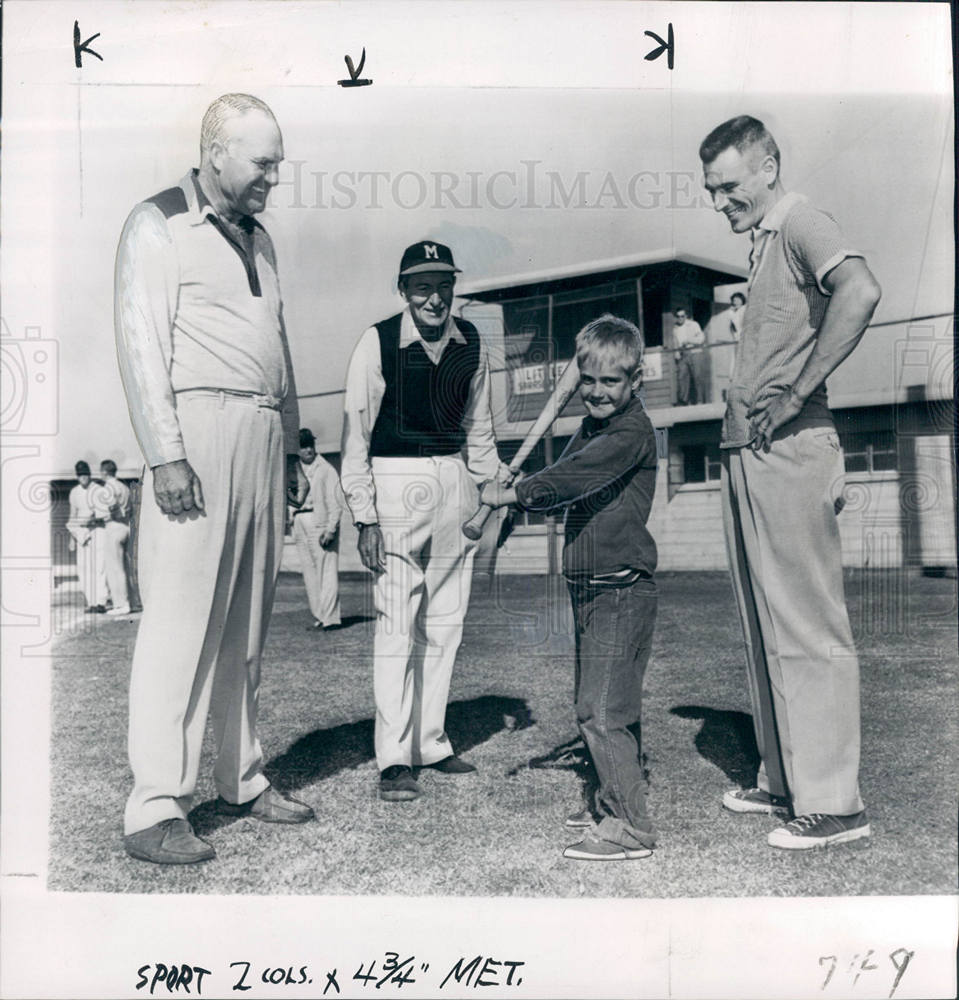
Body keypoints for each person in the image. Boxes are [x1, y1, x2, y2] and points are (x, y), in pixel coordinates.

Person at [114, 93, 314, 865]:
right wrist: (166, 456)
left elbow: (279, 346)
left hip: (262, 432)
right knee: (180, 625)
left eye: (278, 162)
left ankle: (241, 775)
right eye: (264, 161)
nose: (274, 175)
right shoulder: (158, 222)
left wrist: (293, 448)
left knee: (247, 621)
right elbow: (140, 346)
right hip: (196, 433)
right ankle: (154, 806)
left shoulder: (261, 240)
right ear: (219, 151)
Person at [699, 115, 881, 849]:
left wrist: (798, 389)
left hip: (794, 447)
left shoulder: (802, 220)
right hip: (749, 452)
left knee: (807, 624)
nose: (720, 201)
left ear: (768, 166)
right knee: (764, 623)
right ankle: (785, 779)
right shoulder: (764, 241)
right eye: (710, 190)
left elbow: (861, 292)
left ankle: (836, 804)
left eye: (729, 185)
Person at [481, 315, 659, 862]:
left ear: (635, 382)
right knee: (598, 705)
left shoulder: (629, 433)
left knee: (601, 711)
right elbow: (565, 475)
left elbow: (573, 478)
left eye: (612, 381)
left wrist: (513, 494)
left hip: (620, 589)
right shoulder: (593, 428)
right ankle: (611, 801)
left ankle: (632, 828)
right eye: (590, 380)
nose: (599, 391)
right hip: (590, 587)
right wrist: (510, 513)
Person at [340, 239, 510, 802]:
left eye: (443, 285)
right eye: (422, 286)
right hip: (393, 483)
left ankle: (430, 742)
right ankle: (393, 757)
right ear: (403, 289)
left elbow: (480, 432)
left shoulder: (473, 342)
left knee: (445, 622)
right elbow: (355, 440)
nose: (434, 297)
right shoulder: (377, 341)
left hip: (454, 482)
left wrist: (492, 486)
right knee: (396, 625)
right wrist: (364, 518)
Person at [291, 427, 344, 631]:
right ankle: (320, 616)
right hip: (299, 520)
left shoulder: (326, 469)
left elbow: (335, 501)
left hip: (319, 520)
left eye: (310, 446)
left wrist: (331, 528)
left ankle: (331, 618)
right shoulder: (295, 468)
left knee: (326, 570)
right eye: (303, 447)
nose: (308, 451)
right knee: (309, 572)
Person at [66, 460, 108, 614]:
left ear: (89, 474)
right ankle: (91, 603)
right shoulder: (74, 492)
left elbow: (105, 514)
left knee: (99, 567)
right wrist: (72, 538)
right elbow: (73, 515)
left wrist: (93, 519)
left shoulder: (98, 490)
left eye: (84, 474)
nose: (82, 477)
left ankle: (101, 602)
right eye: (79, 475)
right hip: (81, 533)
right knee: (84, 569)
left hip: (97, 531)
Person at [94, 459, 133, 617]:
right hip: (125, 526)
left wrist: (112, 514)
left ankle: (121, 604)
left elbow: (113, 505)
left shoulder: (109, 487)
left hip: (114, 525)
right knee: (122, 567)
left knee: (114, 568)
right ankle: (126, 601)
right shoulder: (124, 486)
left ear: (104, 472)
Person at [671, 307, 706, 405]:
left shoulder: (693, 324)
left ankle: (700, 400)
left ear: (686, 316)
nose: (680, 318)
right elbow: (675, 343)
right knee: (682, 377)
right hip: (683, 354)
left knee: (697, 376)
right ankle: (684, 401)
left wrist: (689, 341)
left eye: (682, 316)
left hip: (694, 352)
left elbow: (701, 339)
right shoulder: (675, 328)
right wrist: (676, 353)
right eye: (678, 316)